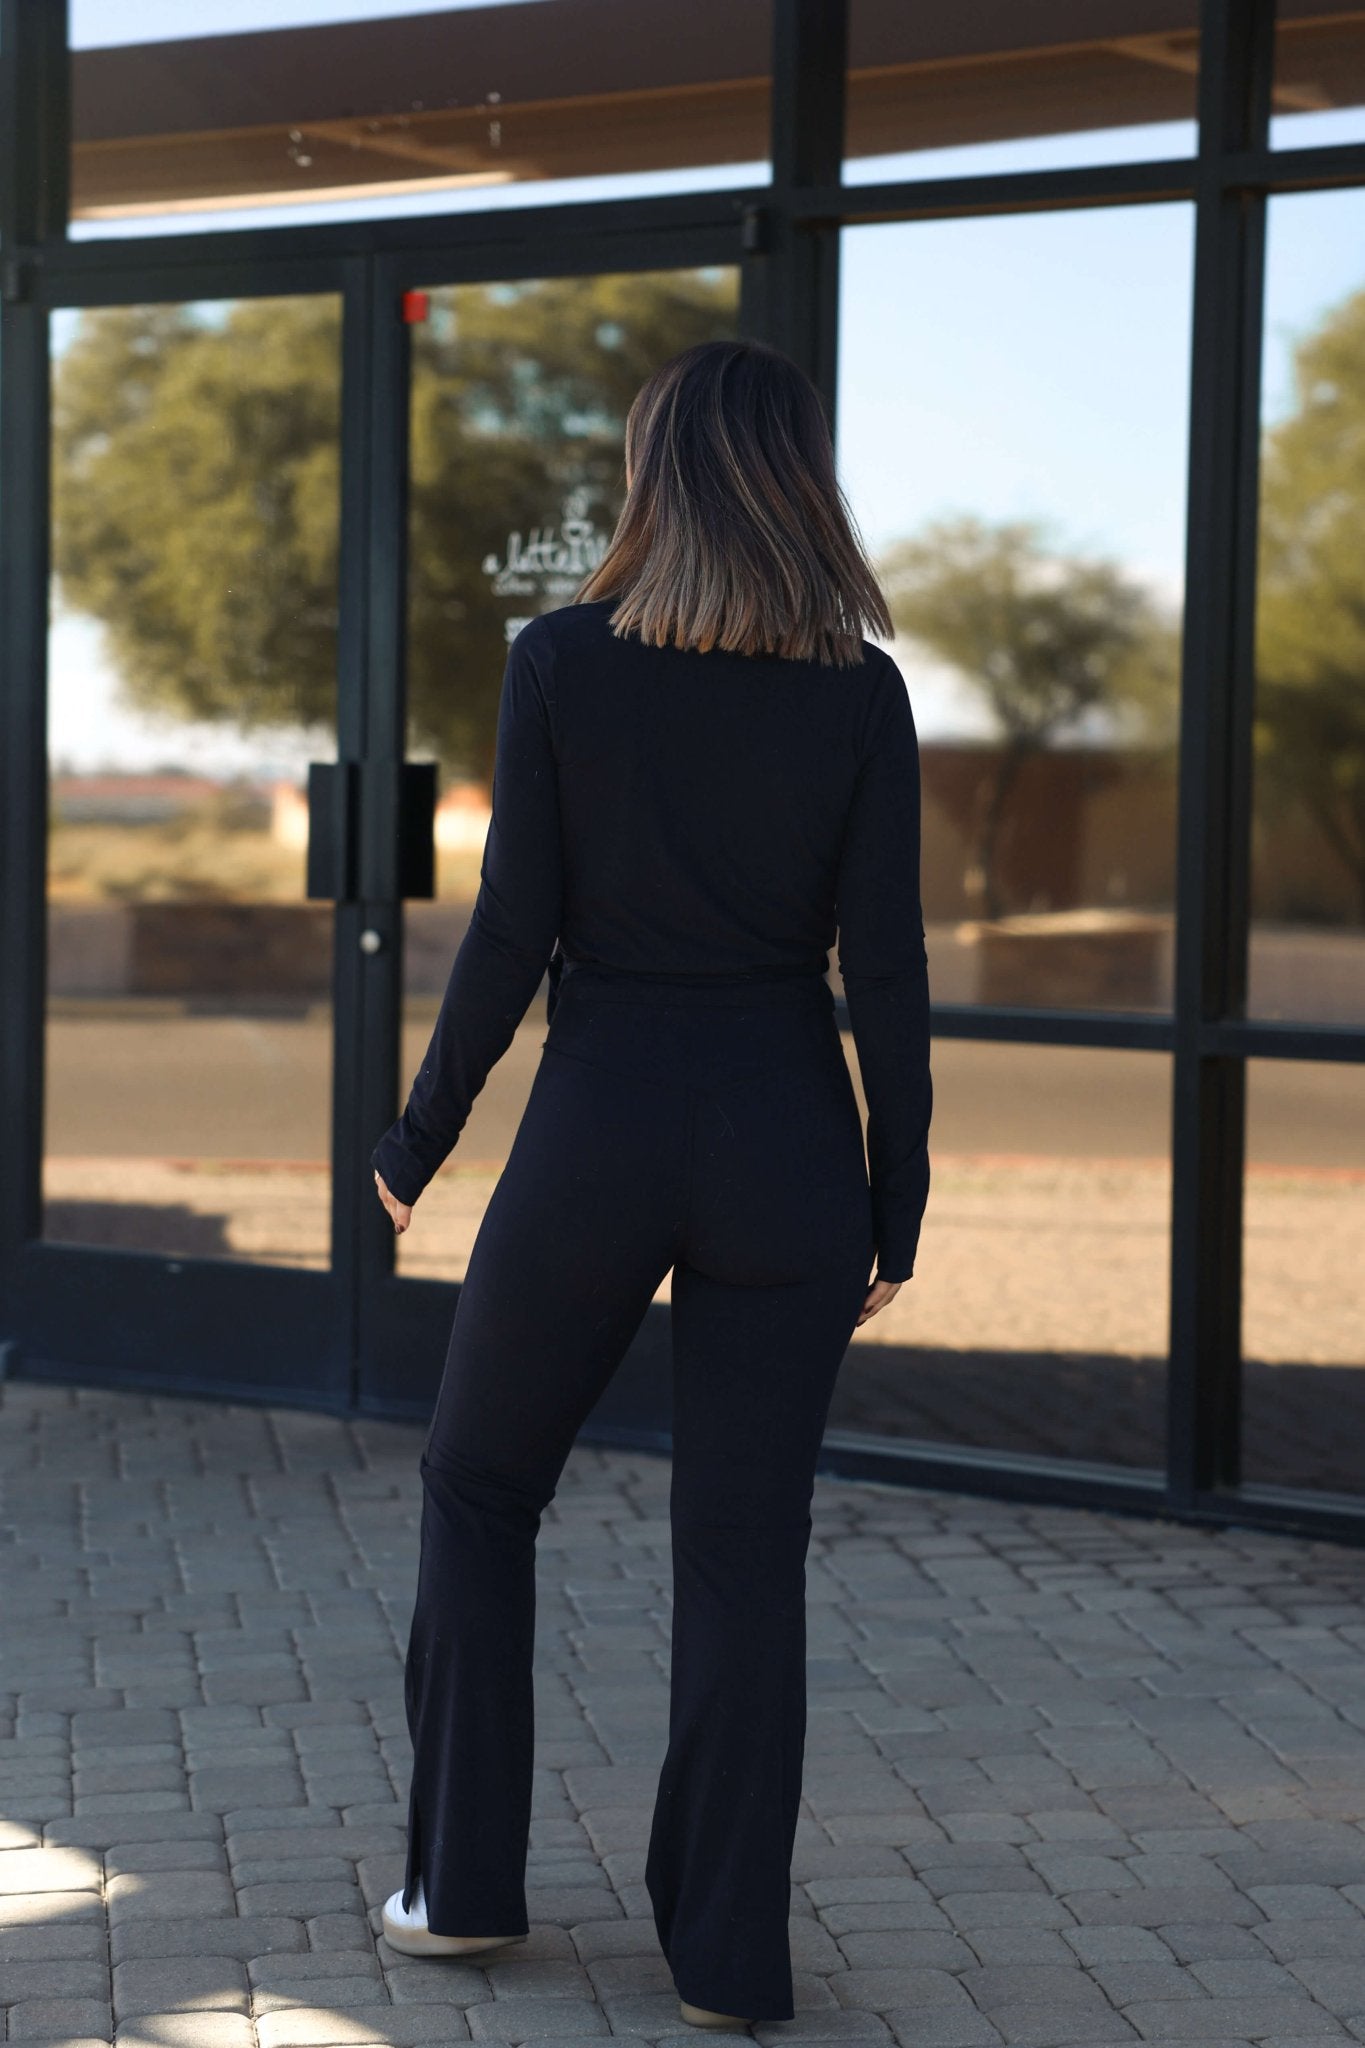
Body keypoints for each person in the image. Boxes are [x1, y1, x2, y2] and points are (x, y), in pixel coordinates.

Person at [369, 336, 933, 2030]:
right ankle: (725, 1963)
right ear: (795, 484)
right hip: (784, 1150)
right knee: (742, 1558)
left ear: (651, 475)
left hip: (601, 1132)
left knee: (479, 1488)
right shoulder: (861, 689)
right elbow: (885, 972)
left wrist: (419, 1139)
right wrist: (891, 1205)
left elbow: (511, 938)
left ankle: (461, 1890)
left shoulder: (560, 664)